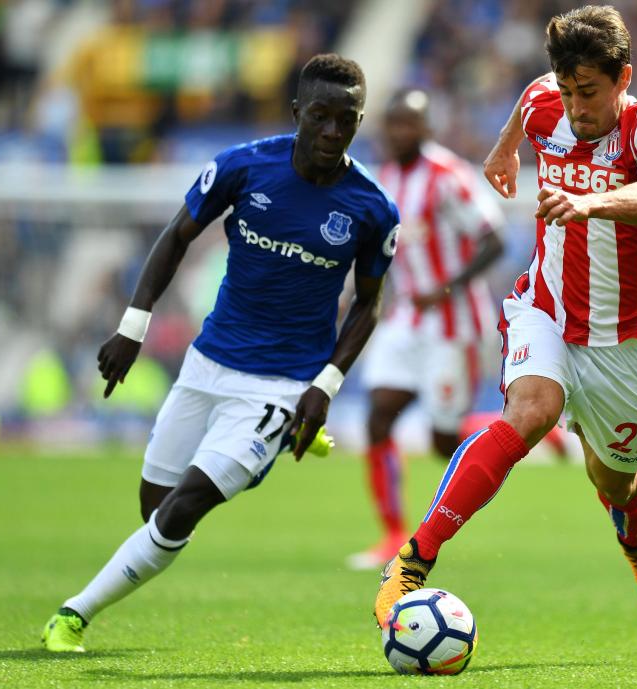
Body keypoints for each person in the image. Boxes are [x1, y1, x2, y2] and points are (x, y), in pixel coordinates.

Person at [41, 53, 400, 653]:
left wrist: (326, 385)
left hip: (281, 388)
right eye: (321, 116)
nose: (334, 132)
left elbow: (369, 303)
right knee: (154, 508)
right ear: (297, 114)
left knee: (185, 507)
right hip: (206, 365)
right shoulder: (242, 166)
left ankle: (73, 614)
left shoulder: (371, 207)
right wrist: (133, 325)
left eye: (349, 120)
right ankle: (260, 452)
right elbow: (177, 234)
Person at [375, 5, 637, 626]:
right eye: (568, 91)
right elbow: (530, 101)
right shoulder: (548, 100)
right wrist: (503, 152)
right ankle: (414, 557)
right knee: (532, 411)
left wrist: (589, 200)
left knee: (614, 480)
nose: (575, 107)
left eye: (590, 92)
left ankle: (635, 540)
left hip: (619, 338)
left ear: (623, 79)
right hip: (543, 306)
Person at [347, 88, 505, 570]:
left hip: (452, 324)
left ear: (427, 128)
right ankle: (392, 532)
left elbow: (494, 240)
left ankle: (525, 427)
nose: (399, 133)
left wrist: (447, 288)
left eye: (409, 124)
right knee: (377, 417)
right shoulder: (385, 178)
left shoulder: (447, 176)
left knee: (442, 442)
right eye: (392, 124)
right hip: (406, 320)